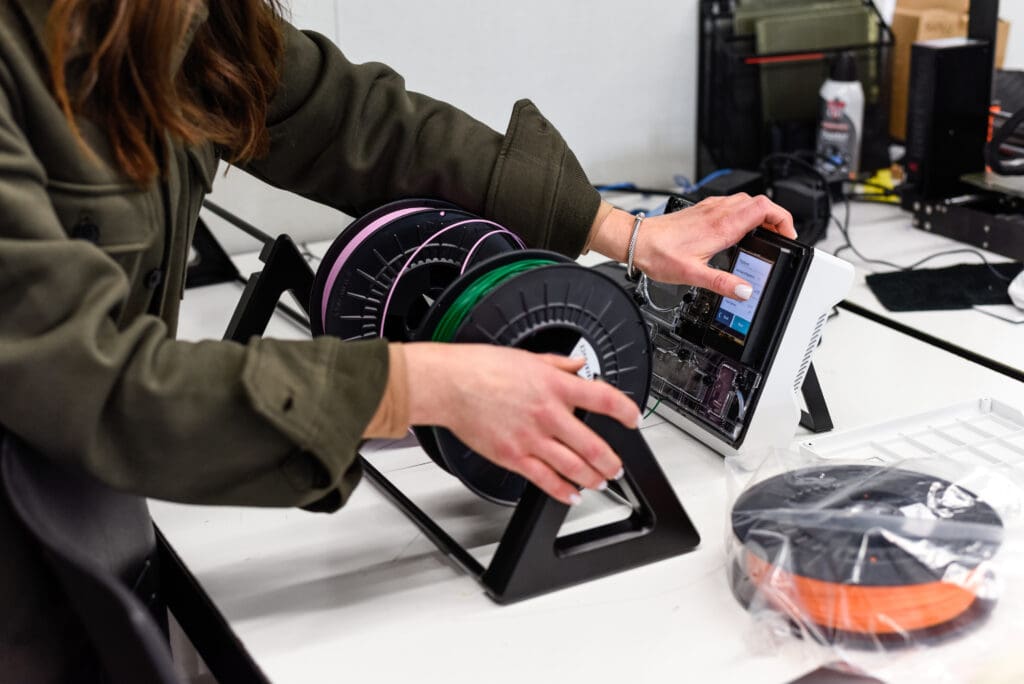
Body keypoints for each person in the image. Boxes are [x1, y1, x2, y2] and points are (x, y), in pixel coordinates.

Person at [0, 0, 795, 679]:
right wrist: (417, 388)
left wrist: (622, 232)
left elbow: (355, 121)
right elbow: (90, 378)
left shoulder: (183, 19)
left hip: (93, 516)